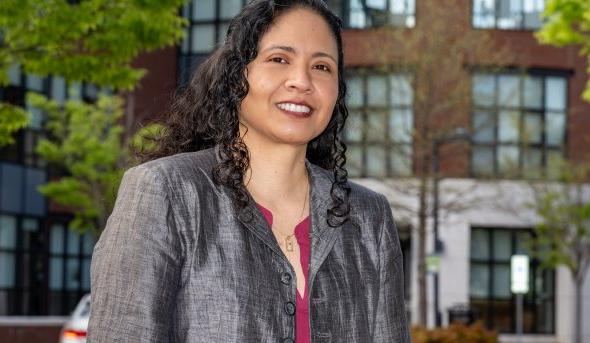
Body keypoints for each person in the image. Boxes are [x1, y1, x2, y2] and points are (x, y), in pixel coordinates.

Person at [88, 0, 410, 342]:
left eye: (322, 66)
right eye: (279, 59)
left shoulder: (368, 216)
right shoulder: (165, 191)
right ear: (236, 75)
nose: (301, 80)